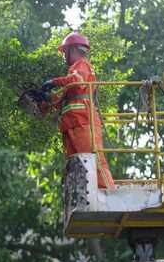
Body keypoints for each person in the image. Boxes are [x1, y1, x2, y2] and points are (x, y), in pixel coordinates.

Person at [40, 32, 115, 189]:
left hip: (83, 122)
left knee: (94, 161)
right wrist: (44, 101)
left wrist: (54, 82)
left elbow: (76, 81)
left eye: (65, 52)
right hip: (72, 124)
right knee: (77, 164)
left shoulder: (82, 65)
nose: (64, 56)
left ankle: (110, 193)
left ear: (72, 50)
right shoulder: (75, 69)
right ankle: (86, 195)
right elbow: (65, 99)